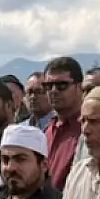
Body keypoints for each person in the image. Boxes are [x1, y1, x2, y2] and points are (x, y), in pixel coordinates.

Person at [35, 57, 88, 190]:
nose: (53, 91)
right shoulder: (46, 132)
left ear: (79, 87)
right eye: (48, 86)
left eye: (61, 85)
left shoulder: (89, 128)